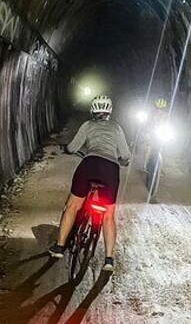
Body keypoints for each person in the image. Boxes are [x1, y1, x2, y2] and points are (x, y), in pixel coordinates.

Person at [48, 95, 130, 272]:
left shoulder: (88, 125)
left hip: (90, 164)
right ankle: (109, 259)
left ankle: (59, 247)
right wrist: (123, 161)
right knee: (108, 215)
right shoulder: (116, 127)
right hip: (110, 169)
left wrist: (68, 150)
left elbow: (73, 147)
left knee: (72, 207)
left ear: (93, 110)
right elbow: (125, 154)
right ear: (110, 111)